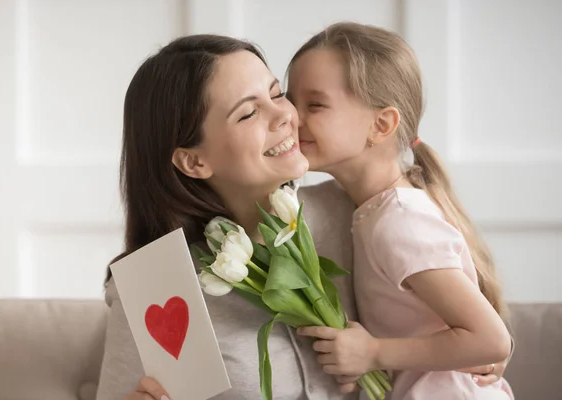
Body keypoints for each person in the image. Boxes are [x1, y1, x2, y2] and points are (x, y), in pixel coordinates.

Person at [95, 34, 360, 400]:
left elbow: (458, 340)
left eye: (277, 93)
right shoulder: (157, 286)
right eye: (249, 112)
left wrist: (382, 352)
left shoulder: (352, 214)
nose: (285, 114)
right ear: (194, 161)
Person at [289, 23, 515, 399]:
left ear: (381, 124)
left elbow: (491, 340)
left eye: (314, 104)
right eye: (290, 100)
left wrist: (374, 353)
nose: (293, 118)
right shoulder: (368, 208)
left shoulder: (398, 220)